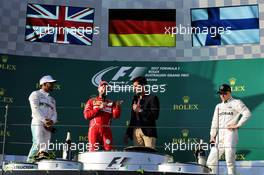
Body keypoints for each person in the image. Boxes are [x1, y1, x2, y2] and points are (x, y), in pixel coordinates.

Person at [206, 84, 251, 175]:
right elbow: (215, 122)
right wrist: (212, 135)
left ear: (230, 92)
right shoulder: (218, 106)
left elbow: (247, 113)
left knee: (229, 161)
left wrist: (238, 125)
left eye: (224, 93)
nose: (222, 95)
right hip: (220, 135)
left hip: (230, 134)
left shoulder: (236, 102)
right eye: (220, 93)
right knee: (210, 161)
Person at [27, 75, 58, 163]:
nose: (53, 85)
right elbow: (35, 109)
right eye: (50, 83)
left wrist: (52, 121)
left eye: (53, 84)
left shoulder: (52, 99)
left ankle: (40, 164)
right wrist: (45, 121)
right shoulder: (35, 94)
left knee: (45, 147)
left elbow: (55, 113)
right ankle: (29, 163)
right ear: (44, 84)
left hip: (48, 125)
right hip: (38, 122)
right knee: (38, 143)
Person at [83, 80, 121, 151]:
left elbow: (116, 116)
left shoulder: (111, 103)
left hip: (106, 130)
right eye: (102, 86)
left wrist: (118, 107)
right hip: (94, 129)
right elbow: (87, 115)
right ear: (98, 88)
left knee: (108, 150)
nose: (104, 87)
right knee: (93, 151)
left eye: (106, 86)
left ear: (108, 90)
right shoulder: (91, 101)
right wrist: (99, 108)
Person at [124, 76, 160, 149]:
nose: (134, 88)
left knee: (149, 156)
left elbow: (155, 116)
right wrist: (128, 133)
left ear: (143, 86)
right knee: (138, 156)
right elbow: (132, 118)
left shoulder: (152, 98)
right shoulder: (135, 99)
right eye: (133, 86)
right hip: (136, 132)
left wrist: (140, 110)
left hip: (148, 132)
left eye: (136, 86)